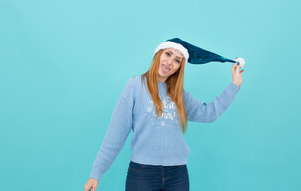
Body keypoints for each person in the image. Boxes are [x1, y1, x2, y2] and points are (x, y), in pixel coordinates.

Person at [84, 38, 244, 191]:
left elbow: (209, 113)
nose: (169, 62)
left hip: (177, 175)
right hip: (142, 174)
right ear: (158, 54)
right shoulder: (134, 86)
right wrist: (95, 174)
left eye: (177, 60)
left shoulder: (179, 95)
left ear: (179, 68)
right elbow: (115, 135)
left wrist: (234, 85)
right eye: (168, 54)